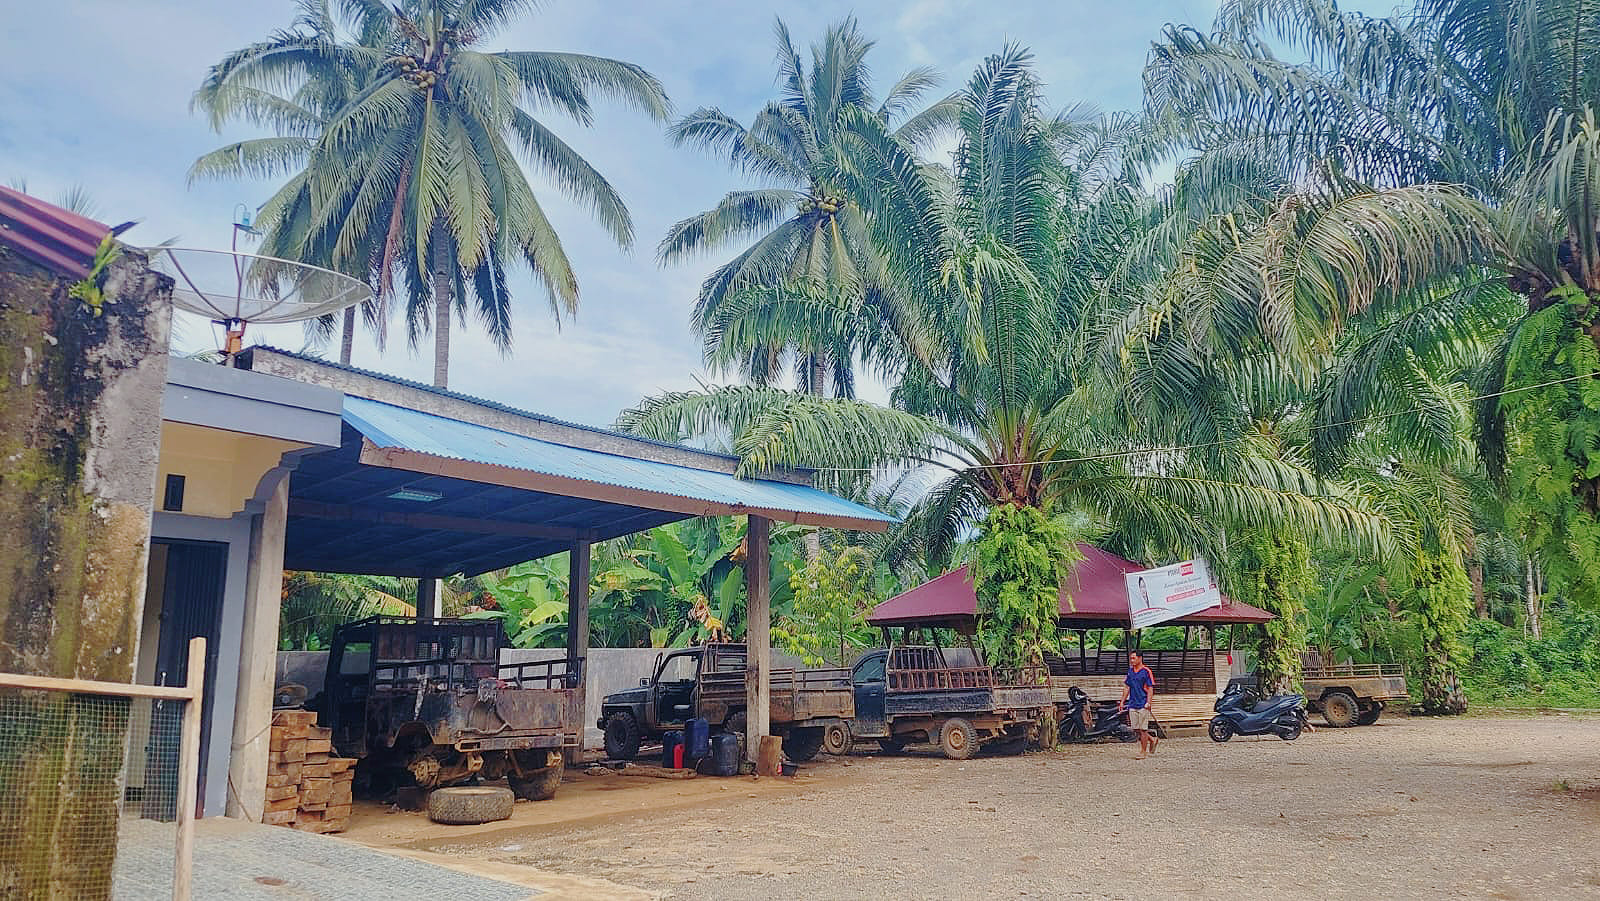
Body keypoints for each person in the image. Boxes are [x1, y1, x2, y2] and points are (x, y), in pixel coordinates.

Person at [1120, 651, 1157, 759]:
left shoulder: (1146, 671)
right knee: (1136, 728)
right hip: (1132, 703)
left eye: (1134, 658)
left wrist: (1149, 702)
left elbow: (1150, 688)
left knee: (1143, 729)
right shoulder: (1130, 672)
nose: (1132, 661)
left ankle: (1143, 751)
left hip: (1143, 703)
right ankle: (1152, 739)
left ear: (1140, 658)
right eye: (1131, 658)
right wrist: (1122, 701)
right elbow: (1127, 687)